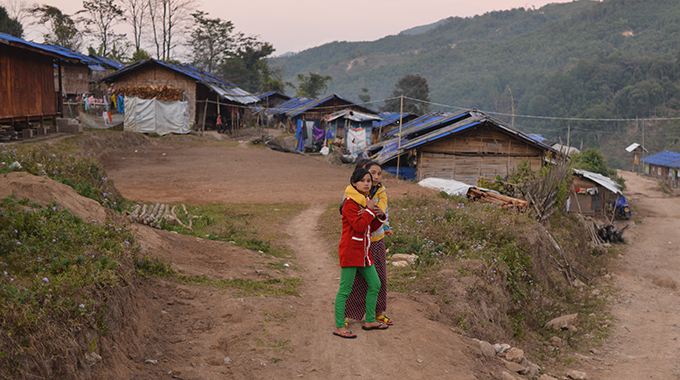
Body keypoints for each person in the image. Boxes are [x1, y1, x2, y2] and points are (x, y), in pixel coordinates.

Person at [333, 168, 389, 339]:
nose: (367, 183)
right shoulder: (350, 203)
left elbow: (368, 227)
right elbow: (358, 227)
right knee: (345, 290)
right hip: (350, 252)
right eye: (363, 180)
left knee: (375, 284)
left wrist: (378, 215)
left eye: (369, 181)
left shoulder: (366, 202)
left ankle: (370, 319)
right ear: (353, 183)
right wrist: (370, 211)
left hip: (364, 253)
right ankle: (339, 326)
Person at [344, 161, 394, 327]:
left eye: (379, 174)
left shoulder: (381, 192)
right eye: (373, 173)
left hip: (376, 240)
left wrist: (377, 214)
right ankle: (347, 313)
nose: (376, 177)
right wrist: (370, 211)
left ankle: (378, 313)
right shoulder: (352, 192)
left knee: (379, 277)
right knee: (357, 279)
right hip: (358, 241)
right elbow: (352, 216)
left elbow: (383, 212)